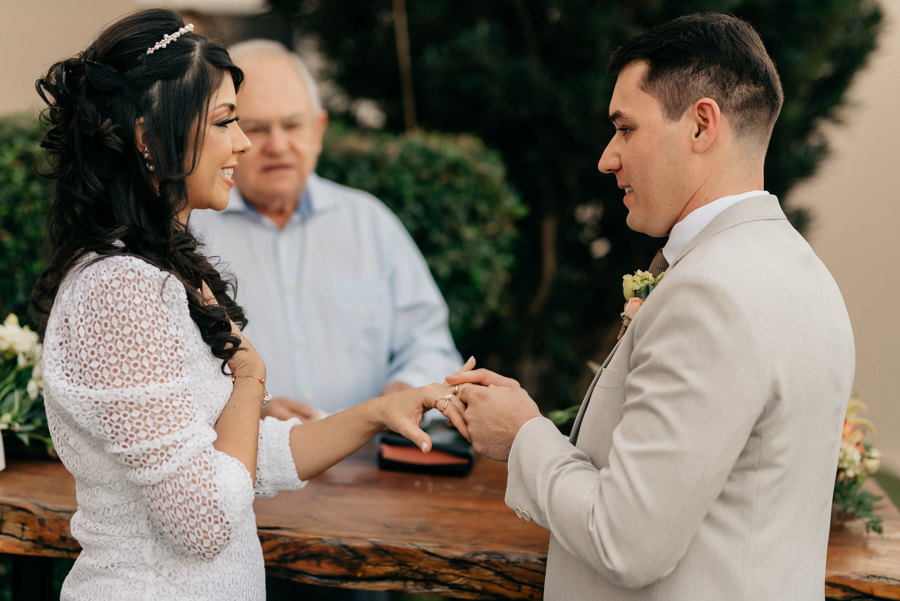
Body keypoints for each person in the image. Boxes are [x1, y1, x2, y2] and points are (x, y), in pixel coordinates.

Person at [33, 10, 468, 601]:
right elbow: (203, 522)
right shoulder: (118, 292)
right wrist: (250, 380)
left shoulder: (158, 271)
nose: (245, 143)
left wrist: (375, 413)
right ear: (145, 137)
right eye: (226, 122)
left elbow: (234, 461)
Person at [448, 13, 855, 600]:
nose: (607, 158)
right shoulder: (804, 271)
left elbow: (626, 542)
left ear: (700, 125)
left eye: (625, 128)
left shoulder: (711, 293)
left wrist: (523, 438)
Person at [190, 40, 462, 422]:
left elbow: (431, 347)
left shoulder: (370, 224)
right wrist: (252, 409)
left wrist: (403, 394)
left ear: (318, 130)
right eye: (257, 128)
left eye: (292, 125)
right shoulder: (190, 232)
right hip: (245, 466)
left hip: (371, 467)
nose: (278, 145)